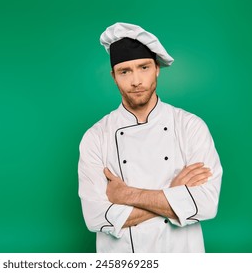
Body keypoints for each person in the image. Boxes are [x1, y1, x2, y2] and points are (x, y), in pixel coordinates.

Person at [78, 22, 222, 253]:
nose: (136, 81)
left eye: (143, 67)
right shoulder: (96, 137)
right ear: (113, 76)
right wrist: (175, 196)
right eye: (125, 71)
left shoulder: (190, 126)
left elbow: (206, 205)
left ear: (156, 68)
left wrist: (126, 195)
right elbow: (95, 218)